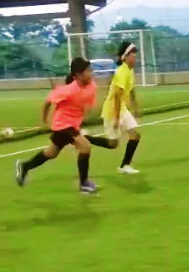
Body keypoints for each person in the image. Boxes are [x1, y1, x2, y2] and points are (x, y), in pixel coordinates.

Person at [15, 57, 108, 194]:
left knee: (51, 153)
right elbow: (47, 102)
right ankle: (84, 184)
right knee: (85, 146)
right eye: (88, 71)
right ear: (78, 74)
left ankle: (24, 166)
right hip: (63, 125)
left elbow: (87, 105)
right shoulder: (68, 90)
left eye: (91, 70)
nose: (91, 73)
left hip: (72, 126)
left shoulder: (92, 86)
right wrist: (43, 121)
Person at [102, 41, 143, 174]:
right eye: (133, 56)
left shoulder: (129, 71)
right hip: (113, 109)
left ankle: (125, 166)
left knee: (135, 135)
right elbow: (117, 97)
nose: (135, 58)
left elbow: (131, 90)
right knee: (112, 144)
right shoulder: (121, 72)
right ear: (125, 57)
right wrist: (117, 118)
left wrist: (135, 106)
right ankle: (85, 138)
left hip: (121, 108)